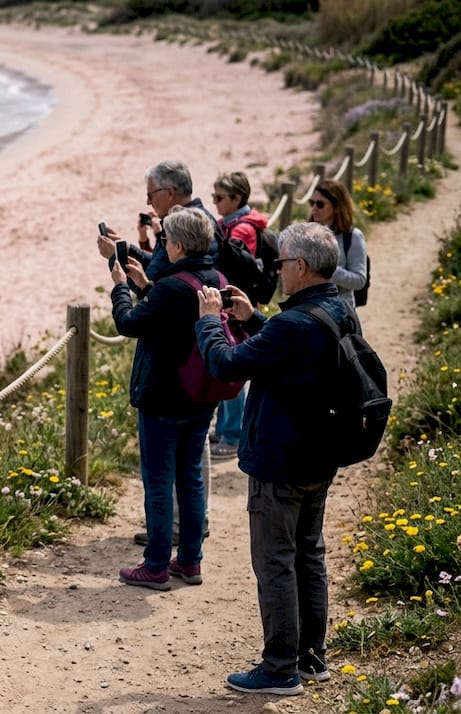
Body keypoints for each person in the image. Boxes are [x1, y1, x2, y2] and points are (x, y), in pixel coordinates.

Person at [193, 222, 358, 696]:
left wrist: (209, 321)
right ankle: (310, 659)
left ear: (300, 267)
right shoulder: (338, 311)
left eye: (282, 262)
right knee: (309, 556)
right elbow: (292, 350)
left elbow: (226, 365)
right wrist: (252, 318)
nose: (276, 269)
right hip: (318, 455)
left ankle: (280, 667)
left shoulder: (293, 324)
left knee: (275, 563)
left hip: (279, 460)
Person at [98, 159, 217, 548]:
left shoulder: (173, 285)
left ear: (179, 245)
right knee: (191, 480)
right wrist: (146, 284)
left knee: (160, 481)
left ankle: (155, 563)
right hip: (198, 390)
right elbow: (174, 310)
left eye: (165, 241)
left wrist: (120, 286)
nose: (160, 246)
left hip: (166, 391)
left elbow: (129, 323)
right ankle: (189, 558)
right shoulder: (211, 277)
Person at [208, 171, 270, 462]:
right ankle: (224, 429)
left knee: (232, 372)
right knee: (226, 368)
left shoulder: (241, 230)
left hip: (236, 308)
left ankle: (233, 434)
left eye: (219, 198)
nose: (215, 203)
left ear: (236, 198)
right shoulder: (230, 224)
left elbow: (229, 267)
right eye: (213, 197)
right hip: (235, 305)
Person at [309, 178, 368, 313]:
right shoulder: (307, 233)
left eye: (320, 204)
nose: (314, 209)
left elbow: (359, 280)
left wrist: (328, 269)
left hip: (340, 312)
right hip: (309, 309)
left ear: (336, 207)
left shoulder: (353, 237)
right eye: (312, 203)